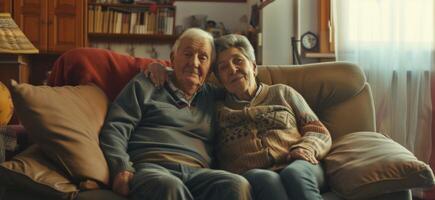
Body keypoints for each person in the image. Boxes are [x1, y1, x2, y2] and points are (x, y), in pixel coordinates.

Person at [99, 28, 251, 200]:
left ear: (210, 70)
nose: (194, 63)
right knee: (169, 186)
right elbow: (116, 126)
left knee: (236, 184)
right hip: (152, 168)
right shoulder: (147, 83)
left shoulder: (214, 96)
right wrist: (121, 167)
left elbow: (246, 92)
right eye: (187, 54)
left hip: (199, 173)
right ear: (172, 58)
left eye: (203, 57)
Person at [212, 34, 331, 200]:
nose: (232, 69)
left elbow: (317, 130)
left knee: (293, 174)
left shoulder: (283, 93)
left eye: (238, 61)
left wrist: (305, 148)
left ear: (253, 66)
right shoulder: (218, 110)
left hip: (299, 164)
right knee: (266, 179)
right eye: (223, 67)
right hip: (252, 175)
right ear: (220, 80)